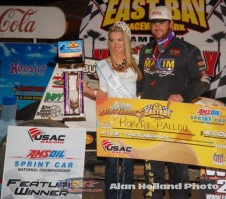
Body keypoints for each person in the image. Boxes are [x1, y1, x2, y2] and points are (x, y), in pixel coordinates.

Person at [137, 6, 211, 199]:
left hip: (177, 122)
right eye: (154, 23)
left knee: (178, 172)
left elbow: (204, 80)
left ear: (171, 24)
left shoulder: (188, 50)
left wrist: (183, 96)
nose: (157, 26)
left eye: (161, 22)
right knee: (152, 174)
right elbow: (140, 81)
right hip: (150, 120)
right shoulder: (145, 50)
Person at [82, 21, 143, 199]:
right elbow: (104, 93)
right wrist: (87, 91)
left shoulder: (137, 62)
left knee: (128, 163)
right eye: (112, 40)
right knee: (112, 162)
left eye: (120, 40)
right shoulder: (102, 65)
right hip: (110, 118)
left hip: (131, 118)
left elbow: (144, 89)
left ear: (127, 41)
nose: (116, 44)